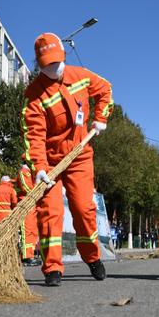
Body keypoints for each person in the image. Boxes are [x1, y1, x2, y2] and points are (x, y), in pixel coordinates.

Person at [21, 32, 113, 286]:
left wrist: (101, 118)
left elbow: (105, 89)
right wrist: (39, 168)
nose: (55, 68)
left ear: (63, 56)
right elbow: (34, 137)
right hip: (50, 163)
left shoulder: (80, 76)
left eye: (58, 61)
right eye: (48, 64)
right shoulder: (33, 96)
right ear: (39, 65)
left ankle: (92, 258)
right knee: (50, 212)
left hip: (80, 156)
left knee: (84, 209)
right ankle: (52, 268)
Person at [15, 164, 40, 266]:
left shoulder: (32, 172)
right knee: (27, 231)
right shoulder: (24, 171)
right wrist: (37, 192)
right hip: (26, 203)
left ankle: (31, 254)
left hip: (32, 204)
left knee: (33, 231)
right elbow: (26, 187)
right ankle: (26, 257)